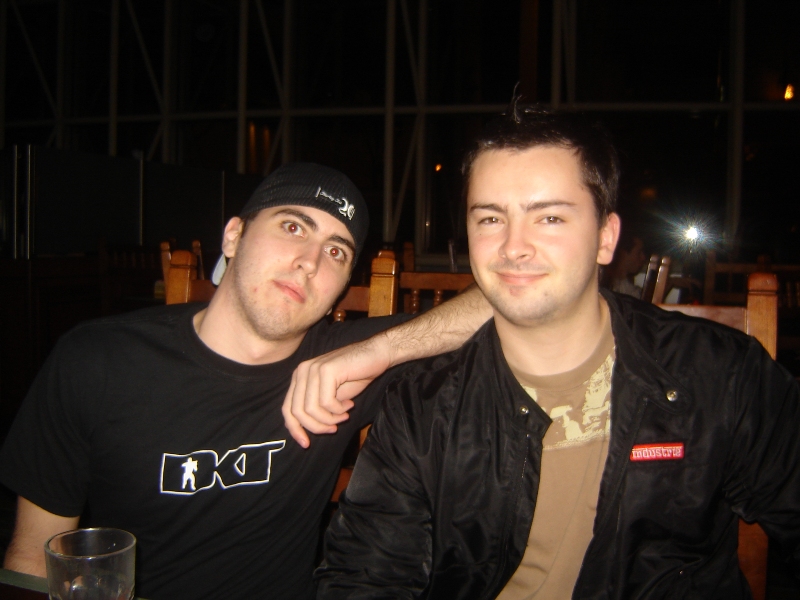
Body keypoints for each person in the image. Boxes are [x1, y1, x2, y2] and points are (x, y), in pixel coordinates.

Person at [314, 103, 800, 599]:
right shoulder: (424, 404)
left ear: (605, 238)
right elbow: (366, 578)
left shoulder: (717, 373)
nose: (513, 247)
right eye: (490, 219)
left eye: (548, 217)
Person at [0, 163, 491, 600]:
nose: (310, 261)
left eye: (336, 252)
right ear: (233, 236)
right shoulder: (97, 361)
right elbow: (32, 560)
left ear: (343, 286)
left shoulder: (345, 364)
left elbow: (505, 303)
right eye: (293, 227)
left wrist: (379, 350)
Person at [600, 227, 647, 298]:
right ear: (624, 253)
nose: (643, 257)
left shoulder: (627, 286)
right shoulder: (610, 286)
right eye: (639, 252)